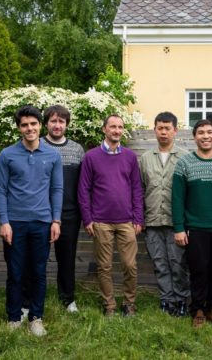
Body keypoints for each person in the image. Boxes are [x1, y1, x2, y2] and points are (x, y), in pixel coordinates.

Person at [0, 105, 63, 337]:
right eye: (24, 125)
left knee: (38, 272)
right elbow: (0, 191)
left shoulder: (53, 155)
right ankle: (14, 317)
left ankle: (36, 318)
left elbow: (56, 189)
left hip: (42, 223)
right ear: (19, 128)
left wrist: (56, 220)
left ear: (40, 125)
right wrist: (4, 221)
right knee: (15, 273)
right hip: (15, 223)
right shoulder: (7, 155)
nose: (29, 128)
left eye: (33, 124)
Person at [77, 115, 144, 317]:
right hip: (100, 222)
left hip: (127, 221)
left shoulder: (130, 157)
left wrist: (138, 218)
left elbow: (137, 188)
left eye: (120, 127)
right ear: (104, 129)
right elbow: (83, 189)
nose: (116, 130)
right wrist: (88, 219)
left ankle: (129, 303)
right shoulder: (91, 156)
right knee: (104, 267)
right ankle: (109, 306)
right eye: (112, 127)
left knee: (130, 265)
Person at [172, 119, 212, 329]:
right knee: (198, 271)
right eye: (201, 133)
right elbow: (177, 198)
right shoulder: (184, 163)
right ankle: (198, 309)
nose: (205, 136)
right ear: (194, 137)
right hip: (195, 229)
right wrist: (179, 228)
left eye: (209, 132)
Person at [139, 112, 190, 316]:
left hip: (176, 223)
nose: (163, 132)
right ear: (154, 130)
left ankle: (181, 300)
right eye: (160, 128)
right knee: (160, 264)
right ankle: (166, 300)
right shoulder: (144, 159)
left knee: (178, 264)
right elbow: (140, 189)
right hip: (152, 221)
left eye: (167, 128)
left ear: (175, 131)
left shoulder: (185, 157)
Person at [42, 105, 85, 312]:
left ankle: (68, 299)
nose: (57, 125)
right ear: (46, 123)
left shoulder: (77, 150)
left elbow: (83, 185)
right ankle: (32, 298)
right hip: (40, 212)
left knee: (67, 259)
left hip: (69, 213)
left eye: (61, 121)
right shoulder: (37, 145)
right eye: (53, 121)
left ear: (66, 124)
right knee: (37, 258)